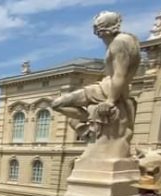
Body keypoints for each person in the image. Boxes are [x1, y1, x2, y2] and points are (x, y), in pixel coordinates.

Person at [51, 11, 140, 142]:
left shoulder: (119, 42)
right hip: (110, 86)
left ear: (111, 26)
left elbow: (119, 74)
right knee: (70, 116)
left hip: (107, 88)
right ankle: (90, 122)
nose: (97, 30)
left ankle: (87, 125)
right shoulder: (125, 40)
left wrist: (110, 101)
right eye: (96, 26)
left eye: (100, 26)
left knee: (57, 104)